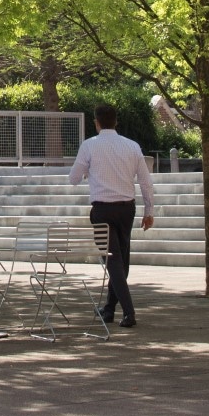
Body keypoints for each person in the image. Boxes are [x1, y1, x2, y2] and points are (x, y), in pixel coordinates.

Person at [68, 103, 155, 327]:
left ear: (96, 122)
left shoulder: (89, 146)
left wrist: (88, 170)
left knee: (114, 260)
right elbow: (145, 181)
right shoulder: (132, 146)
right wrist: (149, 210)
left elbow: (73, 178)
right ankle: (109, 308)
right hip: (127, 208)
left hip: (102, 209)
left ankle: (128, 312)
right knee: (121, 260)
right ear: (116, 121)